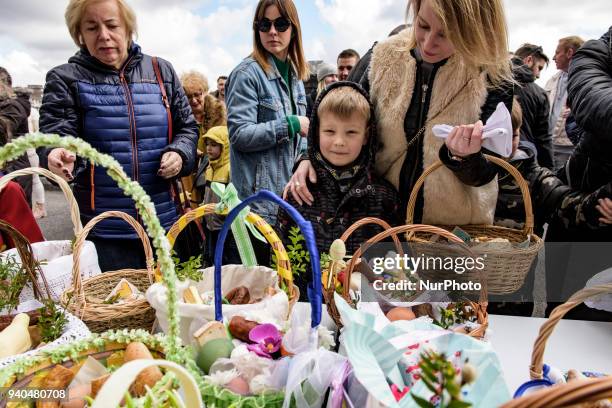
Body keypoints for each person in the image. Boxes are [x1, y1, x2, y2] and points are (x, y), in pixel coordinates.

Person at [289, 0, 514, 228]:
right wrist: (309, 157)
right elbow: (337, 116)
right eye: (423, 25)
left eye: (446, 35)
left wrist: (465, 159)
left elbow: (488, 171)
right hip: (378, 224)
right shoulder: (380, 57)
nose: (428, 43)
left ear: (474, 29)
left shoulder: (493, 73)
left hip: (452, 236)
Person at [38, 0, 198, 272]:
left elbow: (189, 128)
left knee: (174, 308)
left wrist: (181, 153)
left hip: (164, 225)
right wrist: (56, 153)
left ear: (128, 28)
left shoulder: (162, 72)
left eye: (112, 25)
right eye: (91, 28)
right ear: (79, 34)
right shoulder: (65, 78)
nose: (103, 35)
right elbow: (55, 135)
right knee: (118, 310)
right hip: (105, 233)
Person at [277, 81, 400, 300]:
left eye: (351, 132)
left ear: (366, 135)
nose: (339, 141)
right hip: (307, 311)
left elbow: (394, 262)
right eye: (329, 131)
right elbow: (280, 260)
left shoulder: (384, 197)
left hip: (366, 316)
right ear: (316, 132)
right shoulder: (297, 192)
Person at [225, 0, 309, 263]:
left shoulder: (296, 76)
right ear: (256, 29)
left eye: (281, 24)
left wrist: (305, 158)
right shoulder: (246, 74)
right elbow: (239, 135)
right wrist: (291, 124)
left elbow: (302, 142)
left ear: (293, 29)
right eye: (265, 24)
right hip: (254, 211)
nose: (273, 31)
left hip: (286, 207)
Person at [180, 70, 226, 206]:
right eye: (188, 96)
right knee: (190, 210)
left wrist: (208, 153)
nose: (193, 100)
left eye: (197, 95)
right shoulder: (180, 116)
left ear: (205, 92)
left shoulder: (219, 113)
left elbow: (226, 145)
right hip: (188, 174)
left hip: (215, 172)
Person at [198, 125, 240, 265]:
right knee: (211, 255)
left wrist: (225, 211)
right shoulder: (209, 166)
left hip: (223, 225)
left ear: (225, 147)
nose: (209, 148)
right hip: (210, 223)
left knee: (225, 257)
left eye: (214, 145)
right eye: (208, 144)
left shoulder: (230, 169)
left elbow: (233, 197)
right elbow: (207, 192)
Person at [545, 36, 585, 171]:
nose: (553, 57)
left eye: (557, 52)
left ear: (569, 53)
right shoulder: (552, 80)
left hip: (572, 146)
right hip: (550, 144)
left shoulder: (589, 78)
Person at [512, 44, 554, 169]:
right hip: (524, 160)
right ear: (529, 60)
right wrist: (549, 170)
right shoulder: (539, 94)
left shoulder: (493, 83)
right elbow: (543, 138)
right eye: (539, 68)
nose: (538, 75)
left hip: (488, 161)